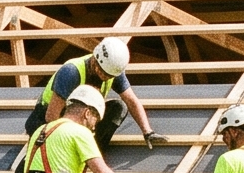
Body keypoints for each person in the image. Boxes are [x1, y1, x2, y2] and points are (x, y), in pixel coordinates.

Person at [23, 36, 160, 147]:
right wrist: (71, 141)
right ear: (95, 60)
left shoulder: (113, 69)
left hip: (81, 119)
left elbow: (131, 100)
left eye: (110, 75)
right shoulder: (71, 72)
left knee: (119, 107)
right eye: (104, 73)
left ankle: (93, 152)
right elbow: (51, 116)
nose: (106, 77)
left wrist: (147, 131)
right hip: (47, 120)